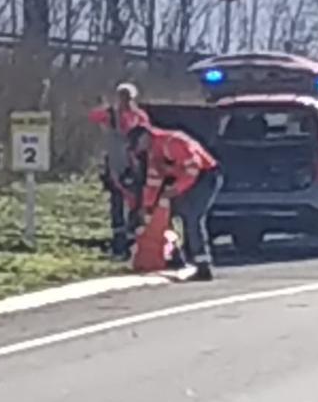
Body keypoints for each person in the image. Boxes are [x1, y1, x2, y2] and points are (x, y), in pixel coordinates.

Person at [127, 125, 222, 281]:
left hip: (205, 177)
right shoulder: (154, 152)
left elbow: (193, 168)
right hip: (187, 180)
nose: (140, 151)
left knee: (192, 217)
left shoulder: (172, 142)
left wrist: (176, 190)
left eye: (138, 145)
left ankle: (203, 265)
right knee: (173, 215)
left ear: (145, 137)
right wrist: (147, 207)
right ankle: (177, 257)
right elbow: (153, 181)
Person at [89, 83, 151, 259]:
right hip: (115, 164)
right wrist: (103, 108)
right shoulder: (110, 114)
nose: (125, 100)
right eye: (122, 96)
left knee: (136, 204)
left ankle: (134, 243)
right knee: (117, 205)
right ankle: (119, 245)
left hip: (134, 164)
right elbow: (94, 116)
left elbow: (146, 134)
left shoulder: (139, 116)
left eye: (128, 97)